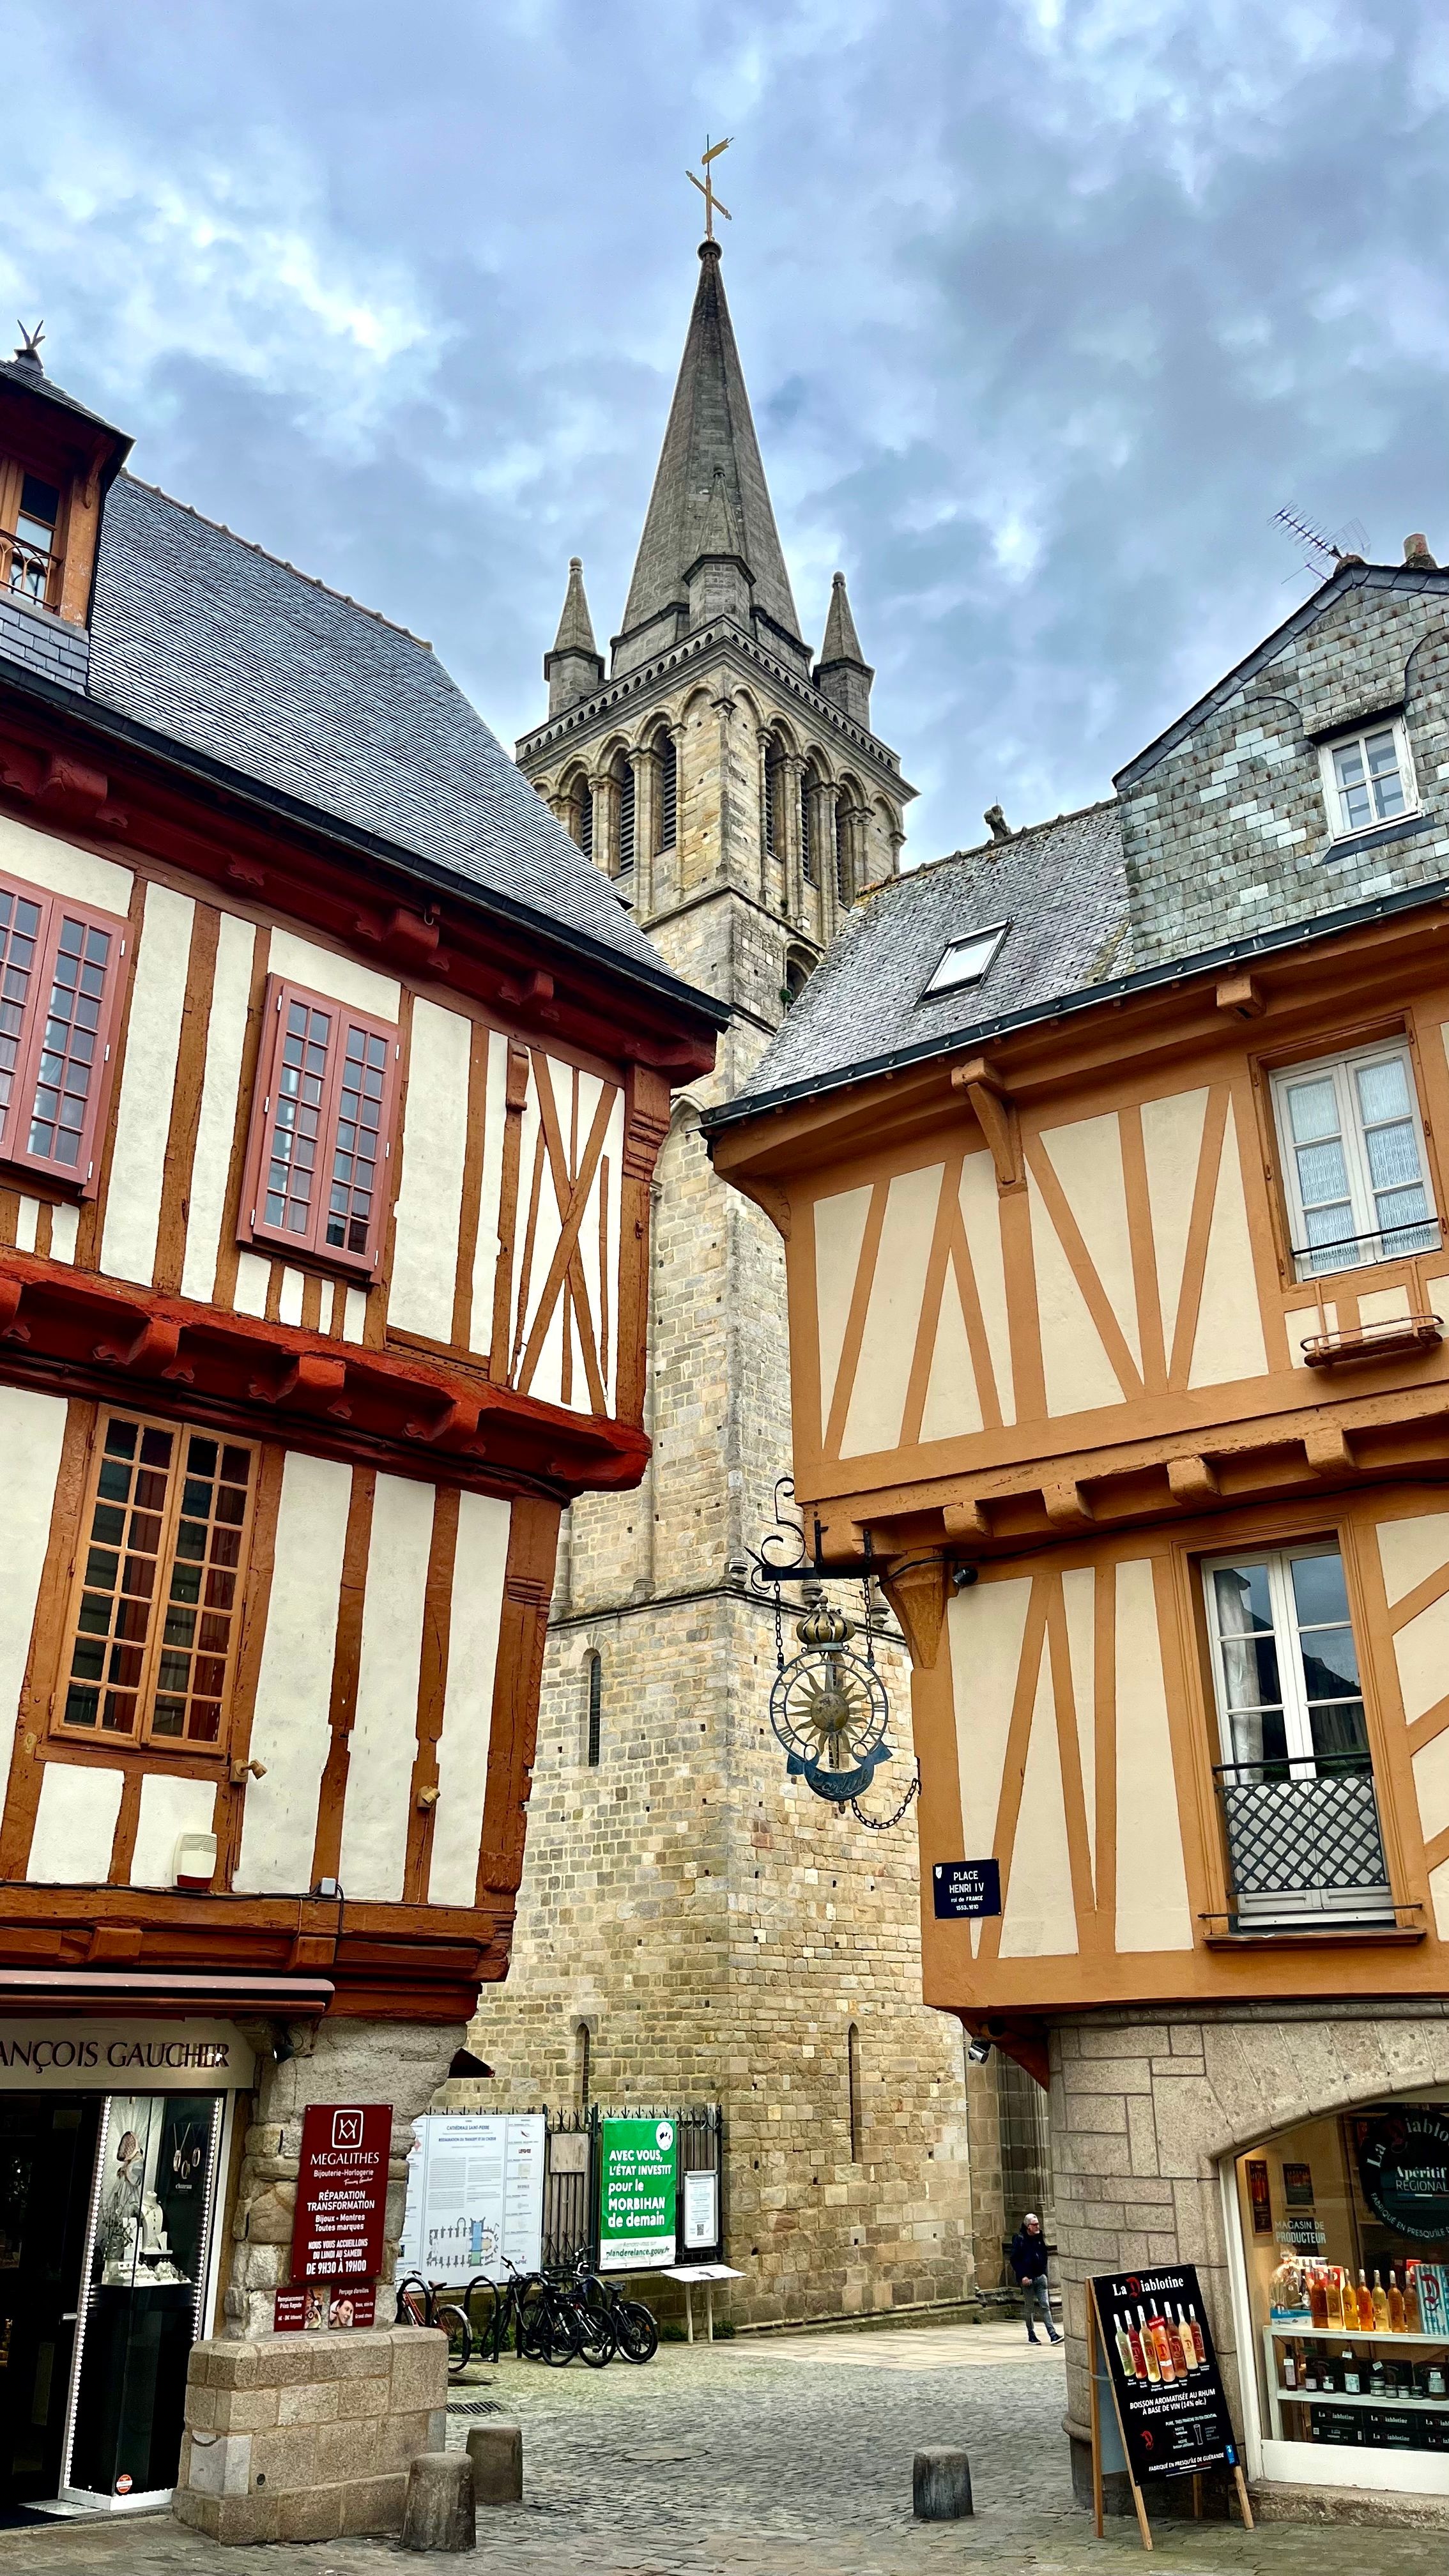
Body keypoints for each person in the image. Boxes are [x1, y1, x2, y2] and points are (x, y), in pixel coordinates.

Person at [1008, 2212, 1061, 2344]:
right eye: (1035, 2225)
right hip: (1027, 2280)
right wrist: (1023, 2276)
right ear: (1028, 2227)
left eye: (1038, 2224)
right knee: (1029, 2308)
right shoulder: (1019, 2239)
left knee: (1045, 2306)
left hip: (1040, 2277)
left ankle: (1053, 2334)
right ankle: (1031, 2334)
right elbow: (1015, 2260)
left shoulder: (1039, 2236)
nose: (1038, 2227)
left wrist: (1043, 2272)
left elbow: (1043, 2253)